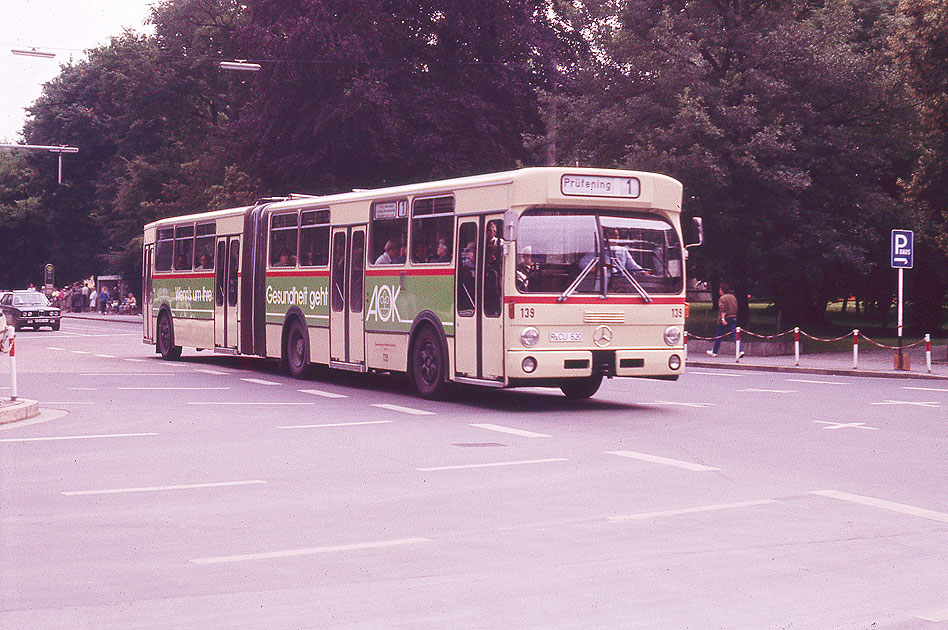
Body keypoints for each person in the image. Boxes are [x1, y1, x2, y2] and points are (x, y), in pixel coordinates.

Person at [708, 283, 743, 357]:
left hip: (725, 318)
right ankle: (740, 350)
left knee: (719, 335)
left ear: (722, 290)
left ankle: (714, 351)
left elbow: (722, 309)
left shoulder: (722, 298)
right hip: (733, 317)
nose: (719, 291)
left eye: (720, 289)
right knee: (735, 334)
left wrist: (723, 319)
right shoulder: (733, 297)